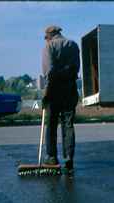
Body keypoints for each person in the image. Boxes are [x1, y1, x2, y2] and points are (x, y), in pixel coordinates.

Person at [41, 25, 80, 174]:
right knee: (68, 124)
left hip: (54, 89)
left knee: (51, 124)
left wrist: (46, 93)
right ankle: (69, 156)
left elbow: (49, 72)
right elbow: (76, 68)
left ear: (49, 36)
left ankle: (51, 157)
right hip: (70, 89)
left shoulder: (48, 47)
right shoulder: (73, 45)